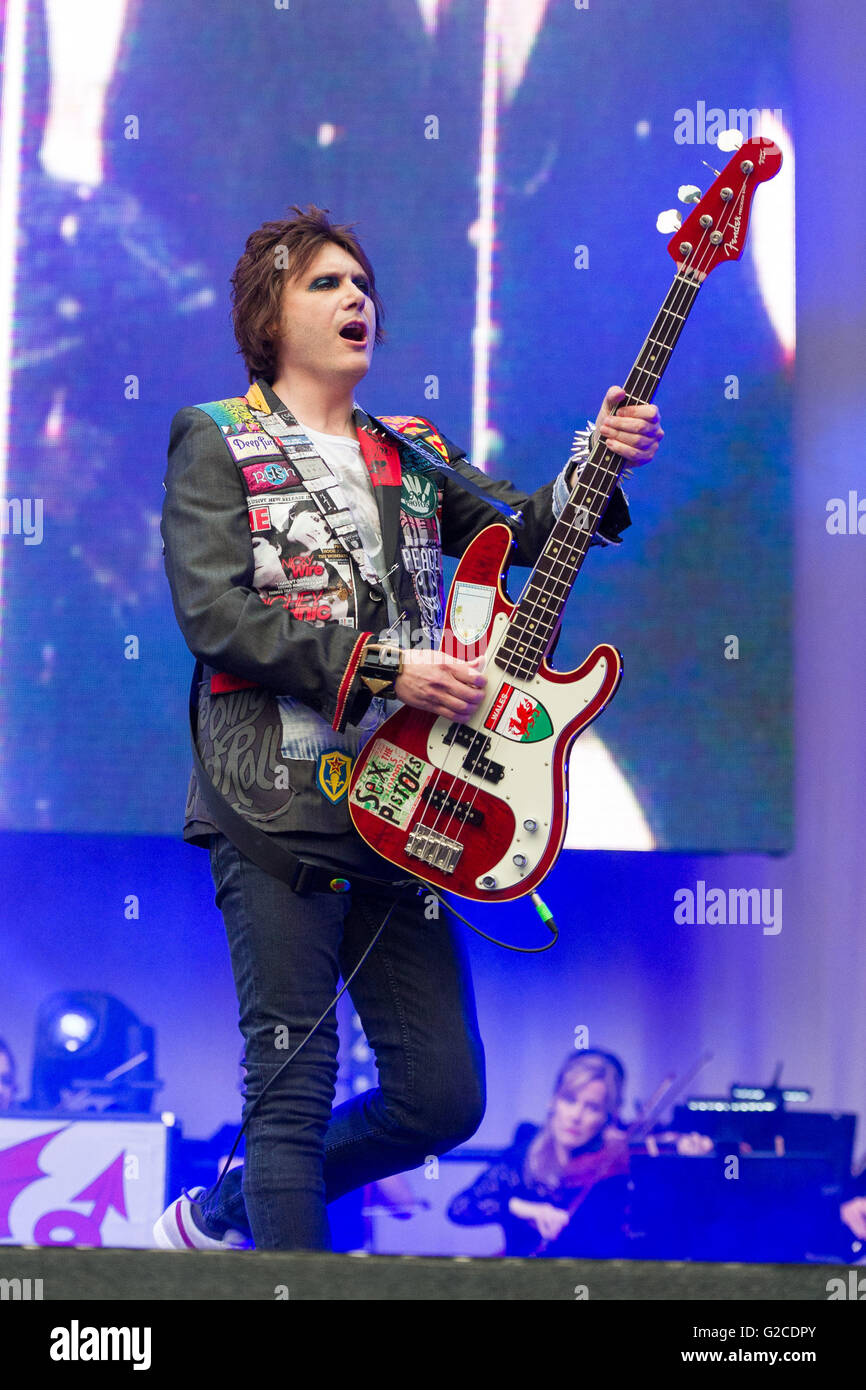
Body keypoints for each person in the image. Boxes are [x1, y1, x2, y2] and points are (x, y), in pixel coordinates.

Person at [155, 205, 663, 1252]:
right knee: (290, 1099)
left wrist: (598, 456)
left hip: (410, 801)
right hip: (278, 806)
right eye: (326, 284)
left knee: (440, 1100)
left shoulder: (412, 449)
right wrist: (389, 664)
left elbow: (527, 528)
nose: (356, 300)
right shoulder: (217, 438)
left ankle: (222, 1213)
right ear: (268, 313)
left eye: (363, 284)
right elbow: (217, 616)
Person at [448, 1048, 711, 1257]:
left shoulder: (617, 1162)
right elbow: (461, 1208)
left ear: (609, 1115)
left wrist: (687, 1151)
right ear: (554, 1100)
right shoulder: (524, 1154)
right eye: (570, 1100)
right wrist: (525, 1208)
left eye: (593, 1107)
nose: (576, 1116)